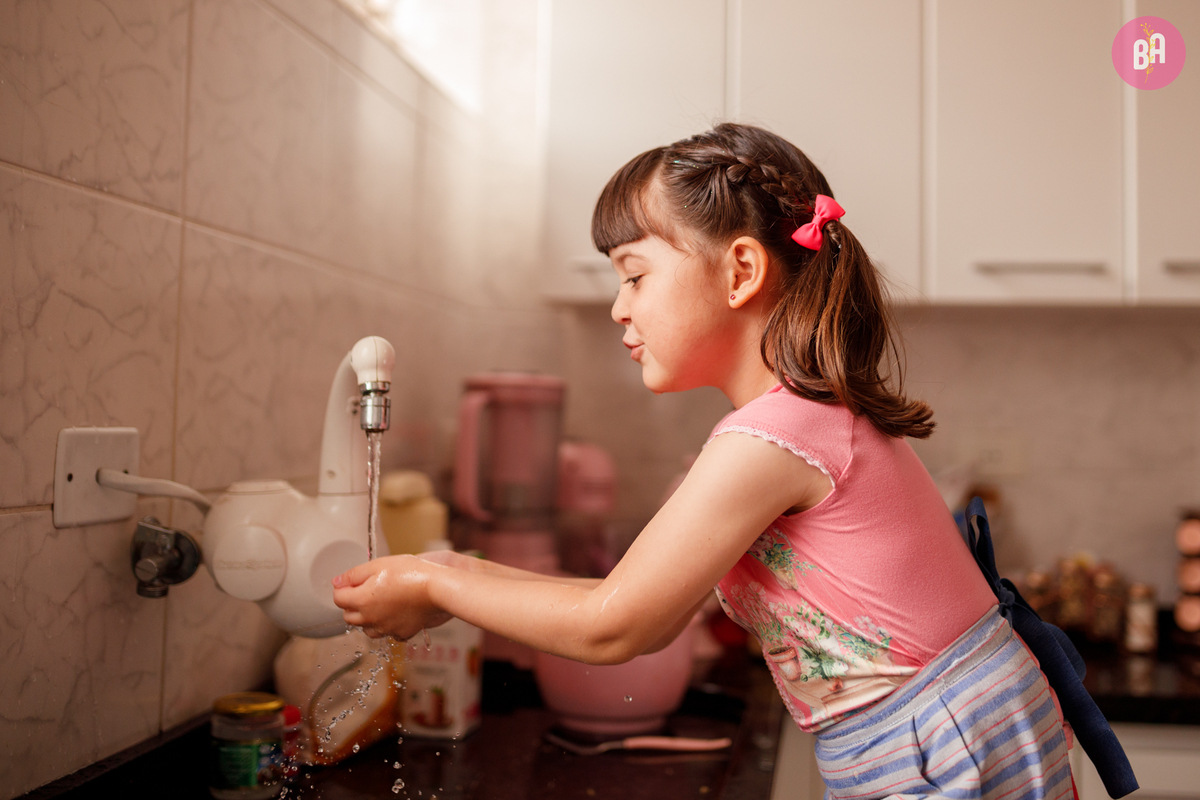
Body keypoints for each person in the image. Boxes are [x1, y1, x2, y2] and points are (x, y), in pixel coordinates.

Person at [333, 123, 1131, 798]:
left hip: (940, 734)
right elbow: (638, 601)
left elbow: (617, 628)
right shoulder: (795, 418)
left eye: (635, 275)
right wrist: (447, 572)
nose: (619, 306)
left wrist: (439, 581)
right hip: (947, 722)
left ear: (742, 271)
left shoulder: (772, 436)